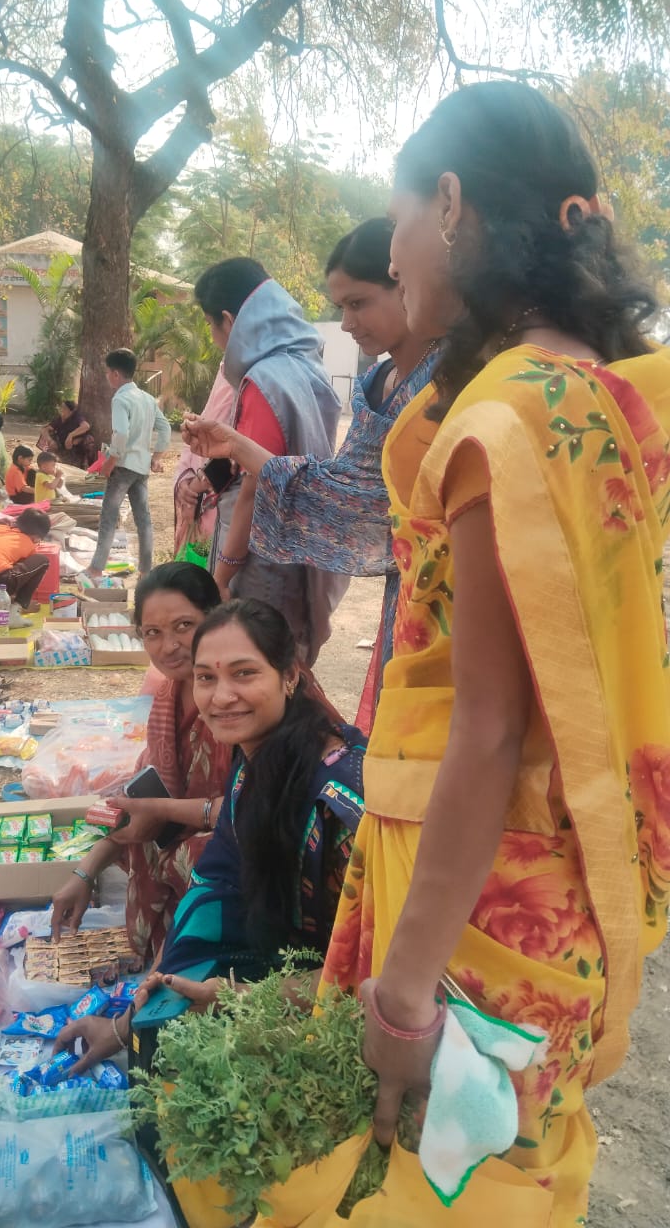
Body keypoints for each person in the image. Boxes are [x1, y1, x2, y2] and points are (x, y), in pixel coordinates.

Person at [271, 81, 670, 1225]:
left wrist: (403, 993)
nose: (394, 259)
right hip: (560, 865)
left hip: (476, 881)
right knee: (509, 1166)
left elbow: (490, 726)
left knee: (424, 1178)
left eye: (398, 223)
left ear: (449, 203)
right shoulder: (608, 394)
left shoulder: (508, 416)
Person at [55, 597, 366, 1070]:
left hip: (343, 1025)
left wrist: (241, 996)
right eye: (206, 678)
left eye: (244, 673)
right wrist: (126, 1025)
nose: (221, 698)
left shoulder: (339, 806)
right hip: (277, 974)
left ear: (289, 676)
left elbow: (372, 970)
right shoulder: (253, 761)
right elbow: (217, 882)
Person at [184, 219, 439, 731]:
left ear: (406, 283)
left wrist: (224, 571)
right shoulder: (372, 380)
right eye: (341, 306)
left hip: (444, 590)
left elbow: (363, 504)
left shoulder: (449, 386)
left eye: (358, 303)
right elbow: (342, 483)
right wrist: (235, 446)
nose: (346, 324)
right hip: (406, 589)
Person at [51, 563, 234, 962]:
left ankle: (192, 960)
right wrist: (85, 870)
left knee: (198, 853)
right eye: (153, 633)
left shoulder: (235, 696)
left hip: (255, 846)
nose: (168, 647)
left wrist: (162, 810)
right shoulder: (169, 697)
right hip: (201, 830)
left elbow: (256, 809)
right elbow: (146, 793)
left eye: (184, 626)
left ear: (215, 617)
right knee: (139, 825)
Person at [188, 259, 345, 664]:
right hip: (298, 548)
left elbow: (255, 489)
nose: (214, 338)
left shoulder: (263, 382)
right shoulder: (305, 365)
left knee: (259, 662)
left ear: (228, 321)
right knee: (284, 663)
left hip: (264, 562)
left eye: (210, 325)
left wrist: (223, 575)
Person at [86, 348, 171, 577]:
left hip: (123, 466)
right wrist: (156, 457)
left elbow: (121, 434)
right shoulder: (147, 398)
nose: (107, 377)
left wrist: (110, 461)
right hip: (141, 468)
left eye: (107, 372)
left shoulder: (121, 399)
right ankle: (146, 570)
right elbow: (165, 428)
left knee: (108, 516)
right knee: (143, 520)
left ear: (115, 374)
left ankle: (96, 568)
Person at [172, 362, 233, 556]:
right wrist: (185, 484)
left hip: (229, 514)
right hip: (204, 508)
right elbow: (197, 446)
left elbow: (238, 451)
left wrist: (194, 489)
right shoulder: (226, 369)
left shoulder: (253, 377)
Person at [40, 398, 97, 469]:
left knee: (88, 439)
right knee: (48, 436)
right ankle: (49, 461)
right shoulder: (59, 418)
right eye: (61, 407)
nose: (61, 410)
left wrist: (71, 435)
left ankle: (90, 465)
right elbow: (44, 429)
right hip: (61, 443)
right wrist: (50, 440)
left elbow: (86, 426)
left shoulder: (77, 417)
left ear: (71, 411)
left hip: (75, 445)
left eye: (64, 408)